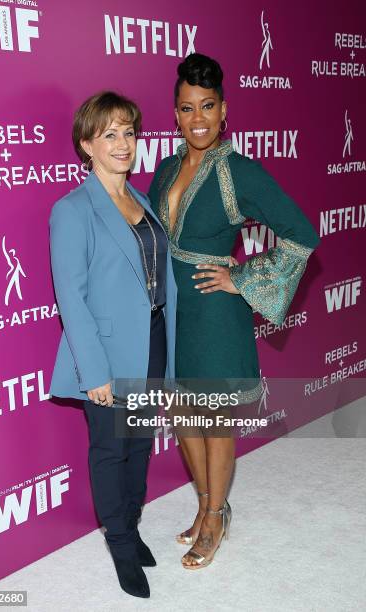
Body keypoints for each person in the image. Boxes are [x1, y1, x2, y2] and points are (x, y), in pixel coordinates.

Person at [148, 53, 320, 569]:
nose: (197, 119)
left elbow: (301, 234)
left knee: (214, 419)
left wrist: (241, 277)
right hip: (173, 312)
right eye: (186, 108)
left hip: (215, 313)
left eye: (207, 107)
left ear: (225, 110)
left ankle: (218, 515)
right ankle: (203, 508)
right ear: (174, 114)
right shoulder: (166, 167)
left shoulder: (239, 171)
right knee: (183, 415)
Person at [49, 91, 177, 598]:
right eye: (109, 135)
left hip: (153, 341)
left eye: (128, 132)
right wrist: (93, 372)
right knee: (111, 449)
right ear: (87, 144)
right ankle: (121, 546)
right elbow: (71, 299)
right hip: (105, 352)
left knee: (141, 445)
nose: (123, 144)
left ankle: (132, 524)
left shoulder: (141, 200)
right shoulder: (73, 210)